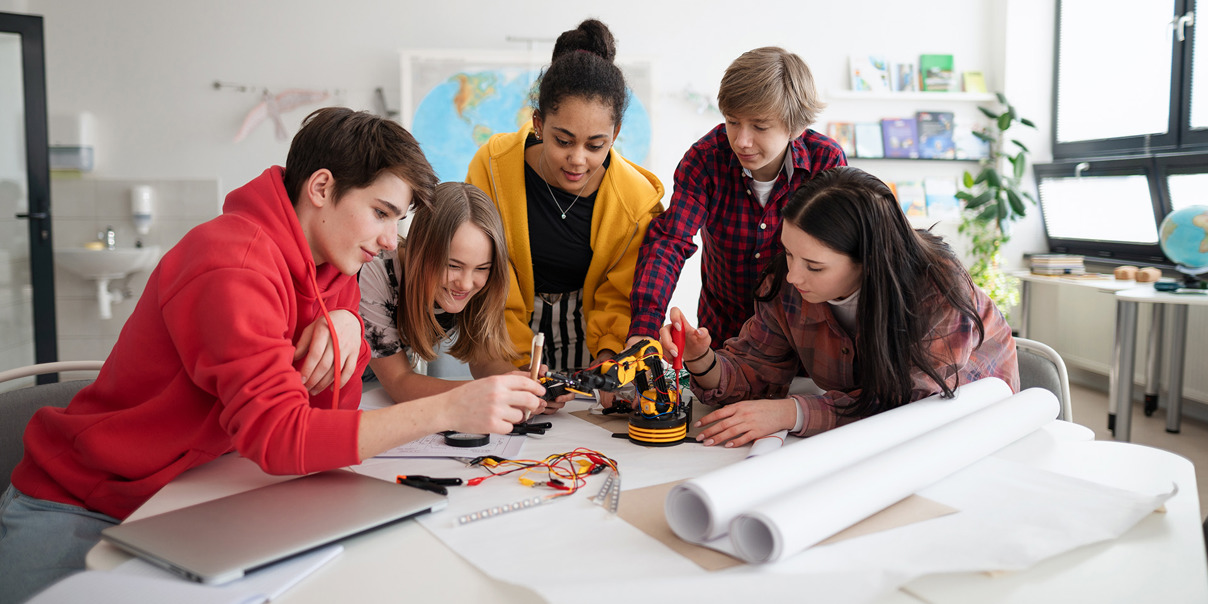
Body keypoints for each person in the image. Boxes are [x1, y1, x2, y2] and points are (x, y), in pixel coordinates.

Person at [0, 108, 544, 603]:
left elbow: (331, 413)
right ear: (322, 187)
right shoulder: (231, 264)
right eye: (381, 213)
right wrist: (449, 409)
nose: (387, 241)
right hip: (80, 504)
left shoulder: (335, 265)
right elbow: (281, 437)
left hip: (190, 498)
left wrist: (349, 323)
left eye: (395, 221)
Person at [660, 167, 1019, 448]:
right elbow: (755, 372)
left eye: (814, 266)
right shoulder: (787, 282)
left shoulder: (937, 288)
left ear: (870, 261)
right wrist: (700, 359)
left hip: (975, 437)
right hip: (869, 448)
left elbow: (911, 409)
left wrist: (794, 412)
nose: (794, 276)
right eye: (787, 253)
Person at [466, 18, 664, 375]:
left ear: (615, 133)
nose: (577, 159)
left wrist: (607, 363)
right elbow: (491, 275)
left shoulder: (635, 202)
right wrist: (521, 364)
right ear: (539, 124)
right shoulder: (492, 169)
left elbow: (618, 296)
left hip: (590, 341)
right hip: (503, 336)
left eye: (595, 145)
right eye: (563, 140)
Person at [627, 47, 847, 353]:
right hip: (723, 341)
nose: (741, 141)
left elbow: (842, 257)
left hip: (804, 344)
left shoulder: (826, 160)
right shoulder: (705, 160)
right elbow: (670, 241)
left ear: (796, 126)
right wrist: (645, 328)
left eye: (759, 126)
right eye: (732, 122)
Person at [359, 181, 569, 413]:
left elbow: (485, 360)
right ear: (420, 250)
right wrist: (489, 393)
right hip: (348, 387)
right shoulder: (375, 272)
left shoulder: (486, 284)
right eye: (453, 265)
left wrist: (521, 386)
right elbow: (399, 383)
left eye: (482, 268)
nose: (466, 284)